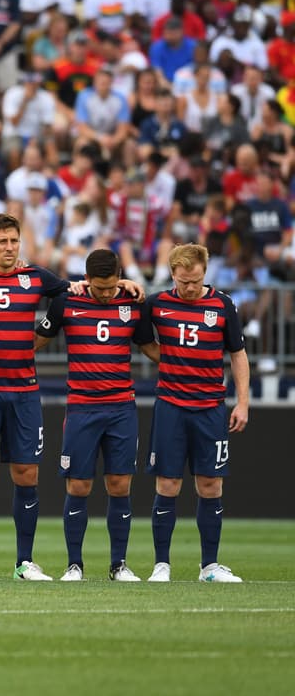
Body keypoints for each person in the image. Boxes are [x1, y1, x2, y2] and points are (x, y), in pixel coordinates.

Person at [0, 214, 139, 580]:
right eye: (3, 241)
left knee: (27, 475)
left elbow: (82, 288)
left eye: (14, 240)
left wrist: (124, 283)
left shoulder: (39, 278)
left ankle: (24, 562)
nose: (9, 247)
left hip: (24, 392)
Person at [133, 243, 249, 583]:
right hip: (171, 405)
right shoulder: (157, 304)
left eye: (196, 282)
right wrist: (168, 360)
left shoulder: (223, 304)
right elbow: (143, 340)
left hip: (211, 407)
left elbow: (238, 355)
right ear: (173, 275)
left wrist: (242, 402)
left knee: (210, 484)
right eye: (184, 282)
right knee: (167, 483)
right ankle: (161, 565)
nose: (190, 288)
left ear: (204, 274)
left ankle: (209, 566)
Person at [33, 249, 150, 582]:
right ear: (86, 279)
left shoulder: (132, 302)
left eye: (110, 287)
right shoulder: (67, 302)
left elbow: (150, 348)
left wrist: (190, 360)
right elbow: (35, 342)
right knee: (79, 486)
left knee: (119, 485)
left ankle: (119, 565)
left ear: (119, 277)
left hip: (121, 408)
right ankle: (74, 565)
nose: (104, 293)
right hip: (82, 408)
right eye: (98, 288)